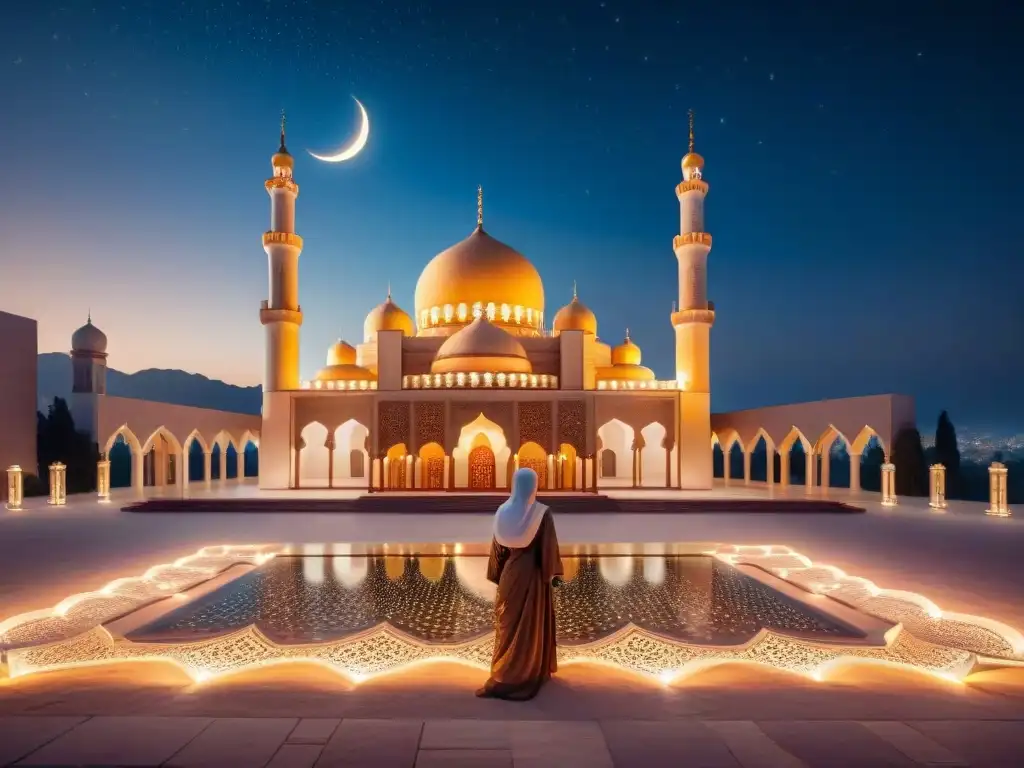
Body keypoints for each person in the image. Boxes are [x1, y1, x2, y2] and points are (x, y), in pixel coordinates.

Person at [476, 467, 564, 701]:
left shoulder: (502, 511)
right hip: (532, 576)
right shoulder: (541, 514)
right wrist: (553, 576)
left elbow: (497, 550)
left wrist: (498, 574)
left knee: (507, 623)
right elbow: (548, 549)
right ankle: (525, 672)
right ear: (533, 486)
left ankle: (503, 672)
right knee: (529, 626)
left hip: (509, 573)